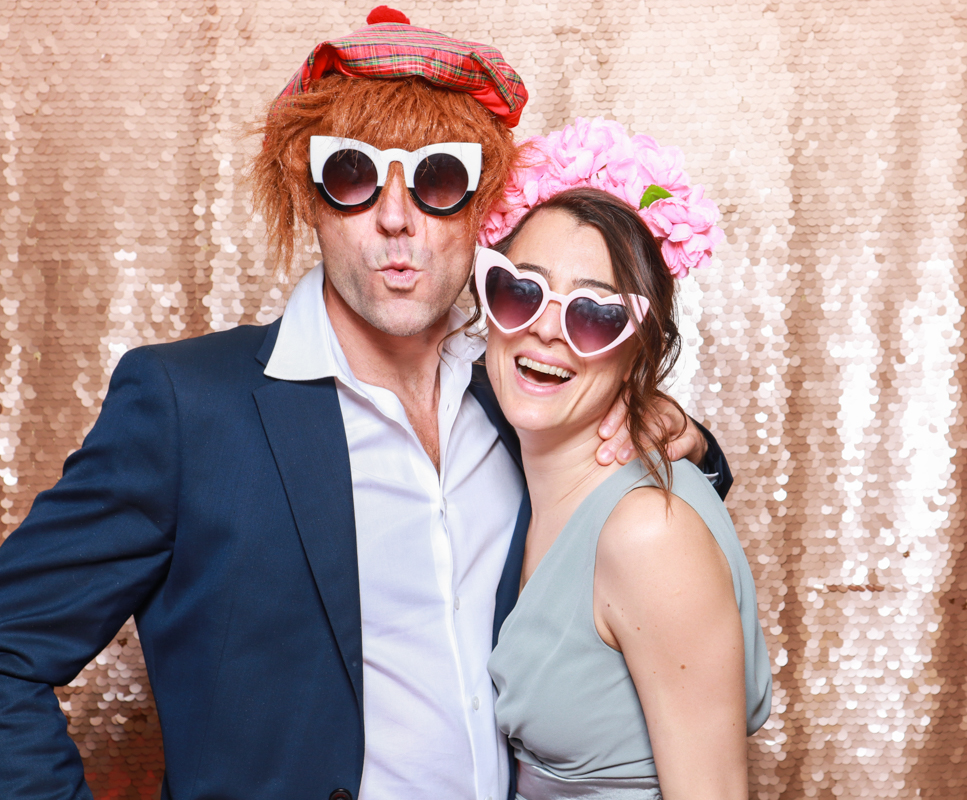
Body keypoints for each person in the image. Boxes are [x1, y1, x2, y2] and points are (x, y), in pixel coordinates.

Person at [0, 10, 731, 800]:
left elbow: (639, 562)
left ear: (482, 205)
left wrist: (684, 435)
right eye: (351, 174)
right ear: (307, 196)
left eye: (438, 178)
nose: (394, 215)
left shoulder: (523, 396)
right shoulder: (187, 408)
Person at [475, 125, 771, 799]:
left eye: (595, 313)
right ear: (486, 307)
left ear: (641, 350)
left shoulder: (647, 534)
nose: (546, 328)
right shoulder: (492, 464)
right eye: (520, 291)